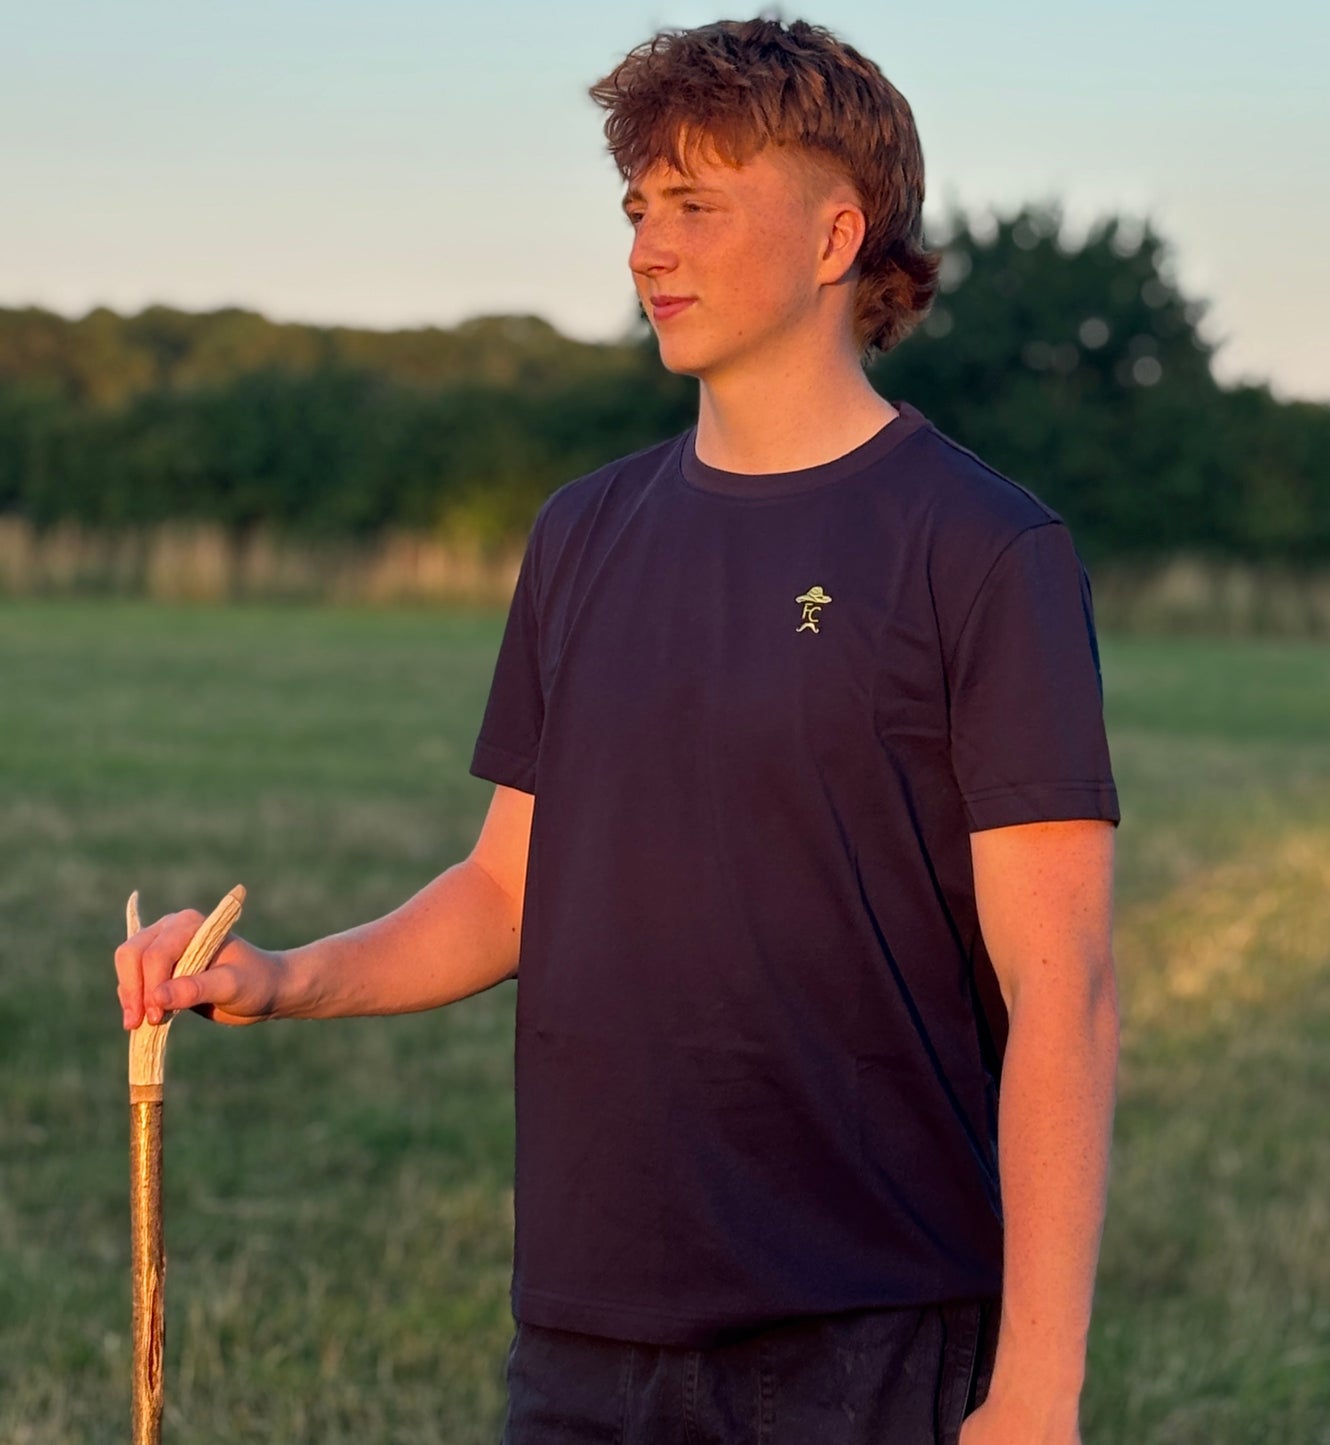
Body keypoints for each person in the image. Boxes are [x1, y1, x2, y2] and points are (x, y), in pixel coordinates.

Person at [115, 17, 1120, 1444]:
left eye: (696, 205)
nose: (648, 248)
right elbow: (504, 888)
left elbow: (1062, 984)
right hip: (584, 1335)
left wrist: (1037, 1388)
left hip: (864, 1332)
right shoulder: (582, 532)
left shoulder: (979, 545)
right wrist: (284, 977)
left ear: (837, 235)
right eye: (638, 207)